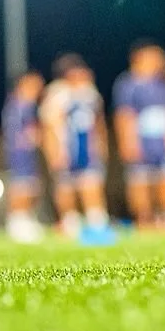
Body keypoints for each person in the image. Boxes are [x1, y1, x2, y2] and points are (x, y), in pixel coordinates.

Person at [113, 40, 165, 228]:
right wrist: (128, 142)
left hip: (164, 140)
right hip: (142, 139)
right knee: (140, 180)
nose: (160, 61)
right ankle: (144, 220)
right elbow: (124, 115)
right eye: (155, 56)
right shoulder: (128, 84)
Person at [40, 53, 110, 238]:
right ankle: (70, 221)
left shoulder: (90, 94)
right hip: (66, 148)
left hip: (87, 148)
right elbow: (49, 126)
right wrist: (54, 152)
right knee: (66, 186)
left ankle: (97, 220)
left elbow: (98, 122)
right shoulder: (57, 94)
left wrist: (101, 145)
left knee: (92, 183)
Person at [2, 69, 45, 243]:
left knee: (30, 186)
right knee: (22, 186)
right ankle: (17, 222)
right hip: (20, 153)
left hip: (24, 153)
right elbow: (26, 132)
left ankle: (23, 219)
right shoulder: (21, 106)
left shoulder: (18, 105)